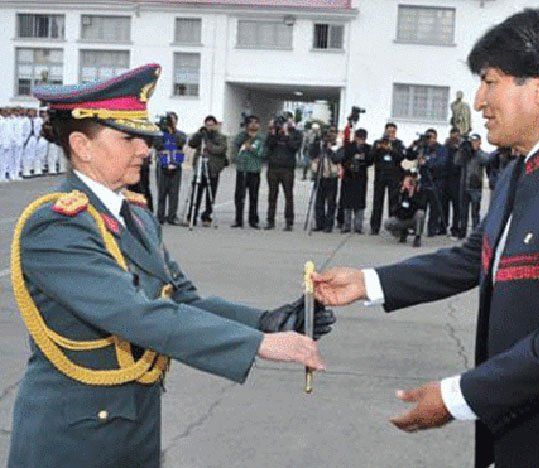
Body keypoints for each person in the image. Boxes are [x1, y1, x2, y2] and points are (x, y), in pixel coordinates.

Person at [312, 8, 539, 467]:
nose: (478, 101)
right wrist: (367, 283)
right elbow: (474, 256)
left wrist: (458, 397)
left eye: (490, 82)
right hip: (515, 424)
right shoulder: (522, 166)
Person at [9, 63, 334, 468]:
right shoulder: (57, 224)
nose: (143, 150)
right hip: (74, 436)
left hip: (135, 424)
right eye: (128, 138)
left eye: (143, 138)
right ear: (81, 145)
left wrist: (267, 322)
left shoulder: (136, 215)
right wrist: (258, 345)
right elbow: (134, 313)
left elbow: (181, 300)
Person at [187, 115, 227, 227]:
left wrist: (208, 146)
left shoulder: (221, 137)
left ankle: (207, 215)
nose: (209, 128)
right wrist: (198, 134)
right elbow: (192, 144)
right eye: (207, 125)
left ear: (215, 125)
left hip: (213, 169)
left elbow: (221, 149)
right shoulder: (201, 135)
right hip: (200, 168)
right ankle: (192, 216)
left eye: (211, 125)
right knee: (196, 193)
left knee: (210, 195)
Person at [264, 113, 301, 231]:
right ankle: (270, 221)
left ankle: (289, 222)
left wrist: (287, 134)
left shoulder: (296, 133)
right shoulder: (273, 133)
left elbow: (294, 147)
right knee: (272, 195)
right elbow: (269, 145)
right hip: (273, 167)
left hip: (287, 168)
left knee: (288, 195)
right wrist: (274, 132)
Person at [369, 123, 405, 235]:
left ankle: (393, 227)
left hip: (394, 176)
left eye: (392, 132)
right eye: (388, 131)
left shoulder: (399, 143)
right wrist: (377, 149)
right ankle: (375, 227)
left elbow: (401, 157)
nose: (390, 134)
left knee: (393, 202)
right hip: (380, 175)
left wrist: (391, 149)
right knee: (377, 202)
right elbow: (370, 158)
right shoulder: (378, 142)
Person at [455, 134, 490, 238]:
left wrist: (476, 151)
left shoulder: (481, 154)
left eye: (475, 141)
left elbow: (487, 160)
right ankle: (462, 233)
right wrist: (461, 150)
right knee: (463, 212)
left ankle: (475, 234)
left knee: (475, 212)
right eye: (472, 141)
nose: (473, 143)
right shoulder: (465, 154)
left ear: (480, 142)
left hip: (475, 187)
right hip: (464, 186)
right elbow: (456, 162)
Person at [154, 111, 186, 225]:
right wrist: (165, 132)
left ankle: (172, 217)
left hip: (176, 166)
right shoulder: (160, 134)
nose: (171, 122)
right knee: (161, 193)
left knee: (174, 193)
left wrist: (173, 132)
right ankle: (160, 217)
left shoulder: (180, 134)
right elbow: (157, 145)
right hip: (162, 166)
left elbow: (181, 142)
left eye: (172, 120)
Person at [232, 115, 264, 228]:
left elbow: (262, 153)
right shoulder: (241, 136)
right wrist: (237, 158)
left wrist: (251, 148)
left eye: (256, 122)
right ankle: (238, 220)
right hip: (242, 169)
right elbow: (235, 149)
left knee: (253, 196)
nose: (254, 125)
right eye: (251, 122)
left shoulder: (261, 138)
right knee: (239, 196)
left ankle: (253, 220)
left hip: (254, 170)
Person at [339, 128, 372, 233]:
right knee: (347, 203)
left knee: (359, 203)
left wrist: (364, 158)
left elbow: (370, 161)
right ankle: (347, 225)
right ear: (355, 137)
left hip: (360, 178)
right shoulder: (348, 146)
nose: (361, 141)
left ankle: (358, 226)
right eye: (359, 139)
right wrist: (351, 161)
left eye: (363, 139)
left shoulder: (367, 148)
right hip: (349, 177)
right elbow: (343, 160)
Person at [310, 126, 341, 233]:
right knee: (319, 201)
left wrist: (329, 149)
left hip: (332, 177)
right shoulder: (319, 145)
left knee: (331, 202)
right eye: (328, 134)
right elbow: (312, 154)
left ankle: (329, 224)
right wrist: (316, 142)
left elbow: (337, 159)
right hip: (320, 176)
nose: (330, 135)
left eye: (333, 132)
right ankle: (320, 224)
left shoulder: (337, 146)